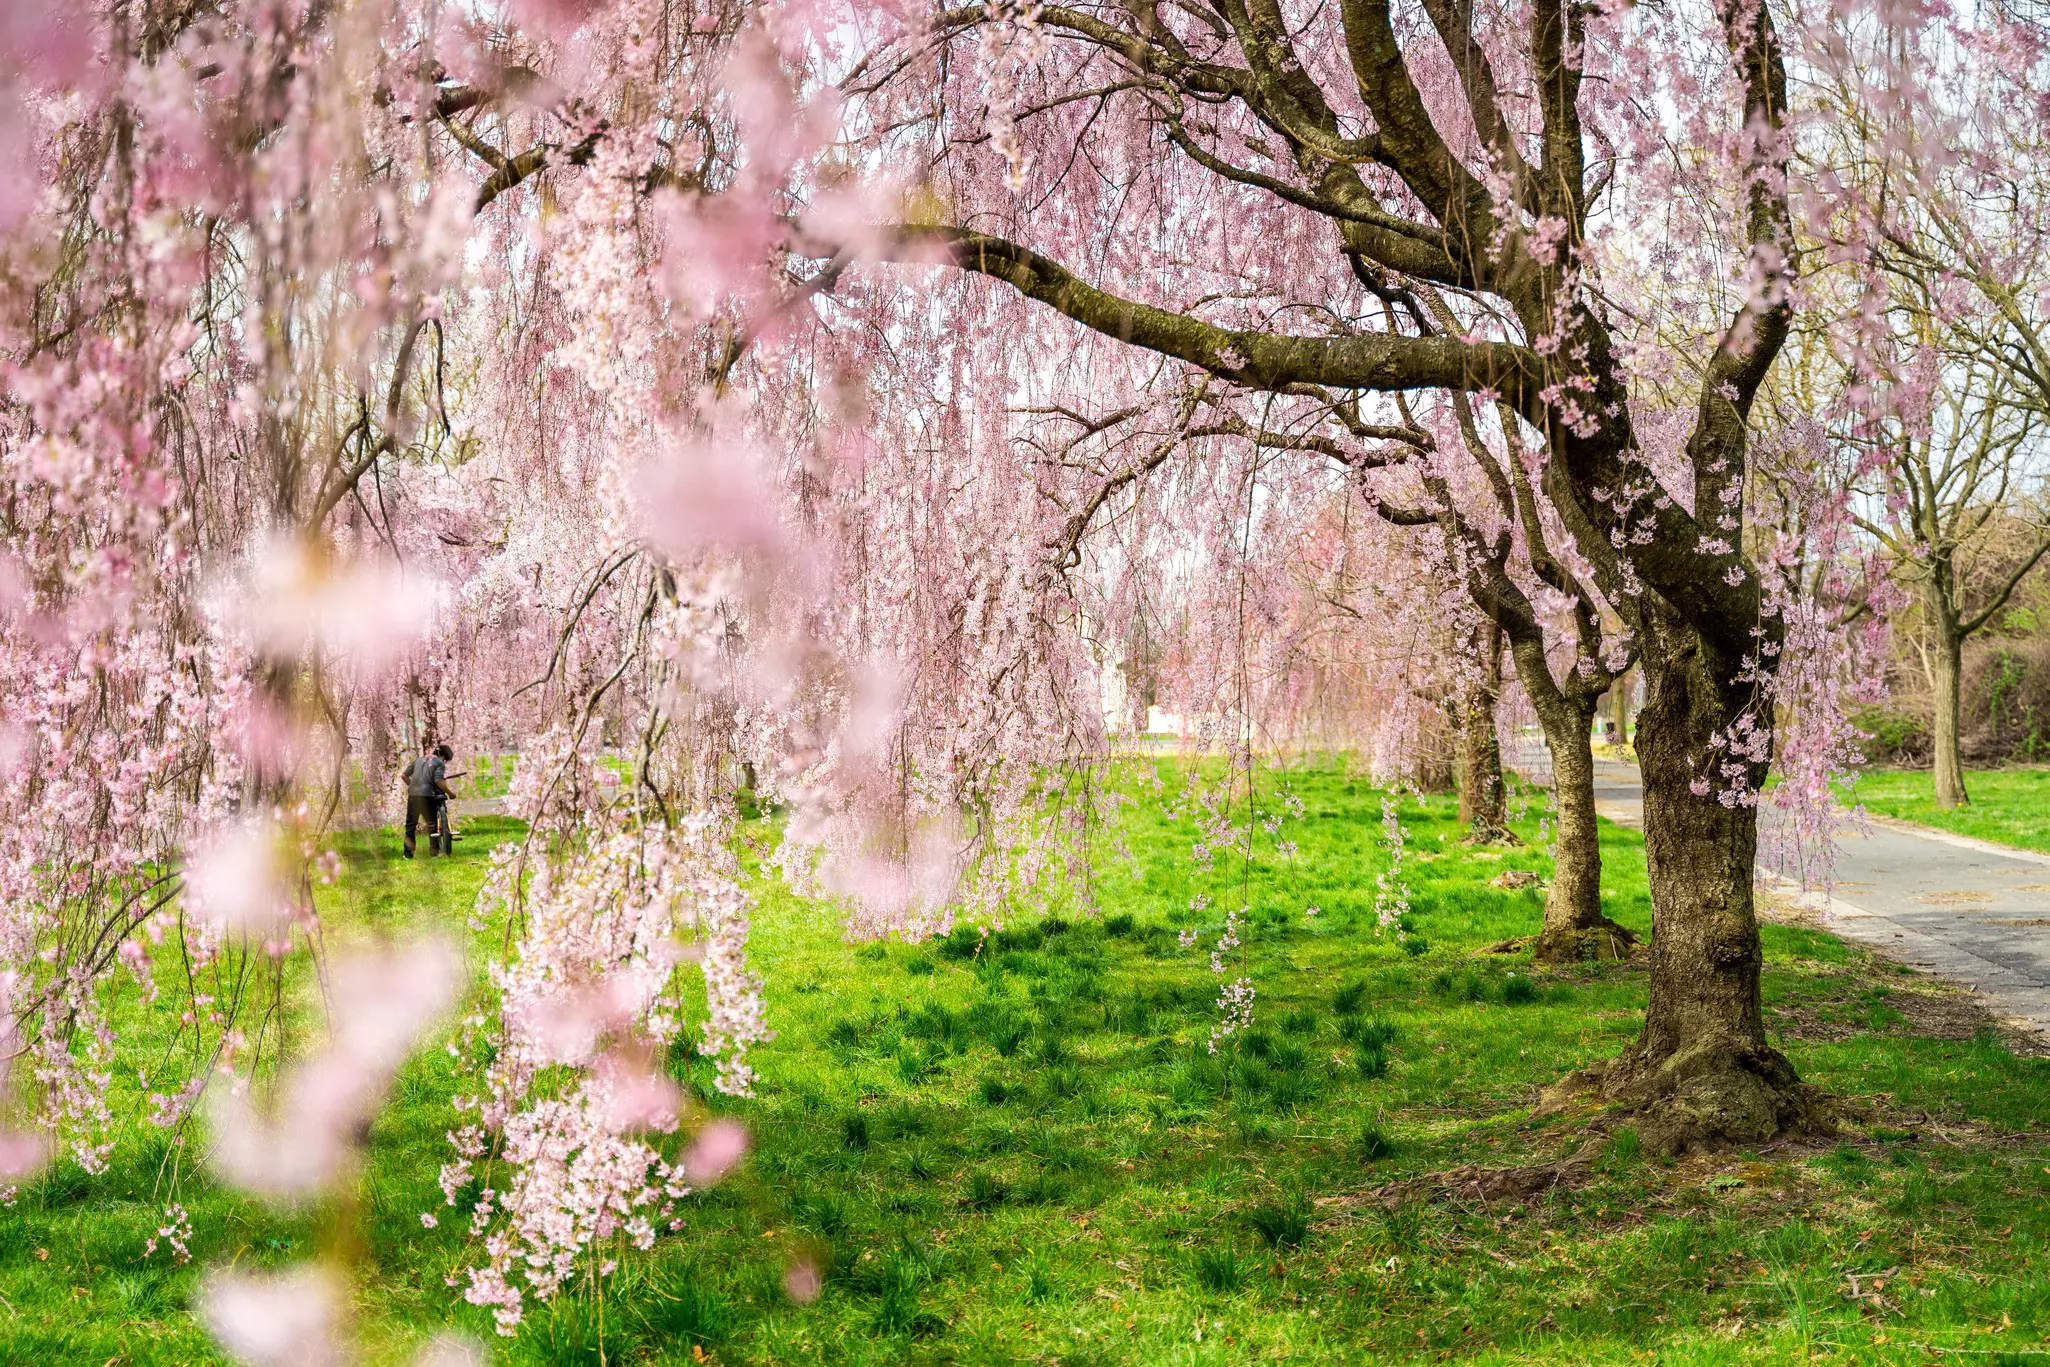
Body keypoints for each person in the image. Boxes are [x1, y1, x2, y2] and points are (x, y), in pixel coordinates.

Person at [402, 742, 455, 857]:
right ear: (442, 756)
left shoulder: (419, 759)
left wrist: (413, 786)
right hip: (427, 796)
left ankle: (408, 854)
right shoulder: (439, 763)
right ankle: (434, 852)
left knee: (410, 825)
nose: (444, 762)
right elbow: (438, 781)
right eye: (445, 760)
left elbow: (404, 776)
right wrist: (450, 793)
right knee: (431, 824)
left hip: (413, 796)